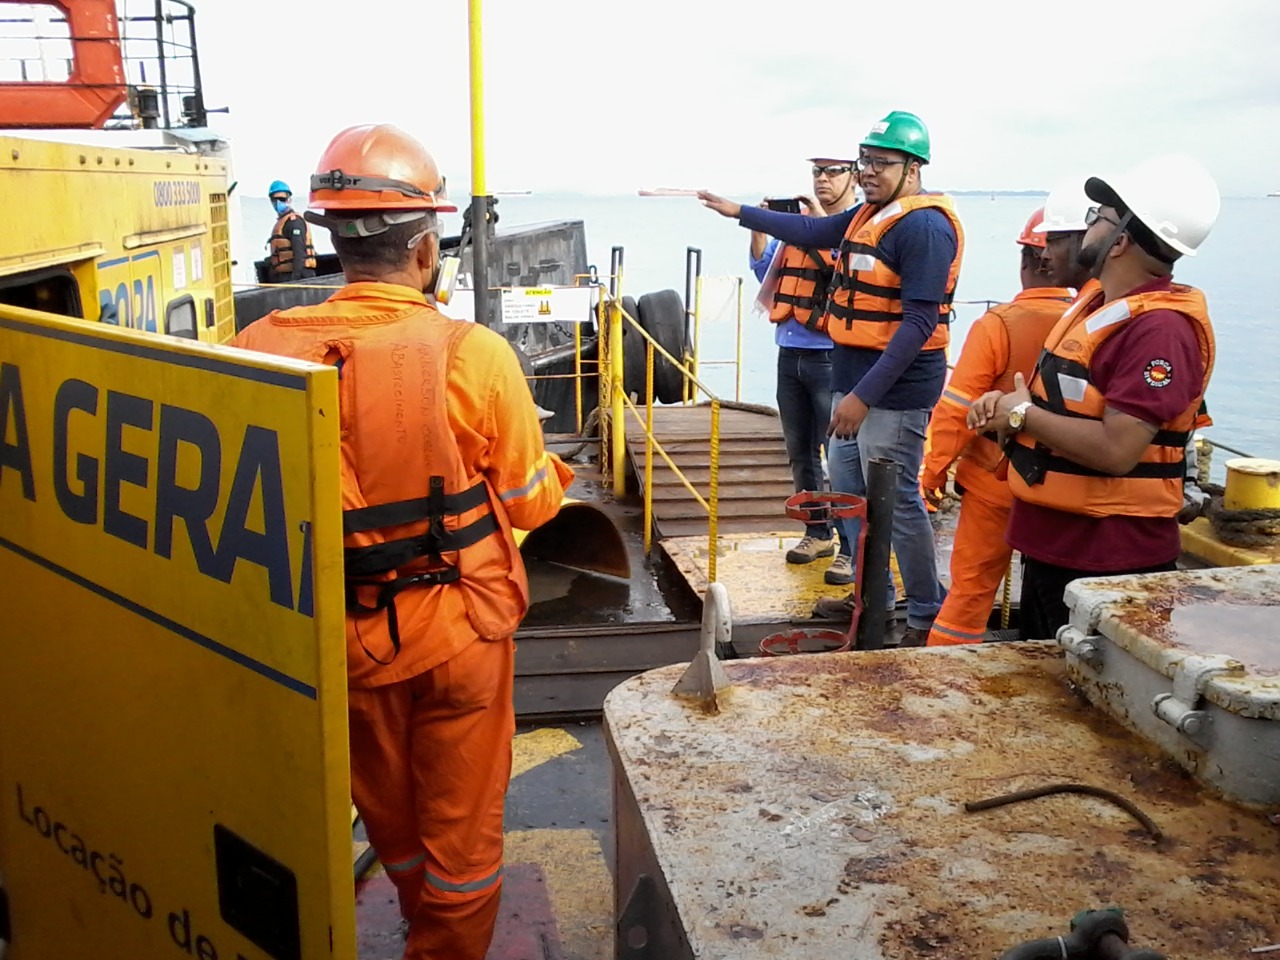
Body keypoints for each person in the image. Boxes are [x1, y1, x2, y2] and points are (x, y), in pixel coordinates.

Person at [234, 125, 574, 960]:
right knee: (464, 848)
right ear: (425, 249)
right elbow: (530, 506)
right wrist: (549, 468)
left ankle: (420, 913)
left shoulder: (256, 349)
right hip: (457, 632)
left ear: (327, 240)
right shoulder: (474, 355)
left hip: (332, 641)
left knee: (395, 823)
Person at [700, 110, 963, 646]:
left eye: (880, 162)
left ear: (913, 168)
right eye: (864, 160)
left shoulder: (925, 228)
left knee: (900, 500)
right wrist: (739, 213)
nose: (867, 171)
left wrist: (863, 398)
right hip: (853, 381)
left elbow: (917, 323)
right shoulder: (870, 214)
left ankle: (923, 613)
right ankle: (873, 598)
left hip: (892, 391)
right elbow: (812, 228)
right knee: (850, 493)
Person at [968, 155, 1220, 641]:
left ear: (1121, 239)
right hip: (1057, 547)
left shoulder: (1159, 331)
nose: (1087, 228)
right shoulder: (1101, 309)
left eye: (1097, 217)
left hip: (1109, 563)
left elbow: (1118, 450)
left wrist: (1023, 415)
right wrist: (1012, 410)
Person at [919, 208, 1073, 645]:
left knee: (970, 595)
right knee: (1056, 601)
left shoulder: (998, 325)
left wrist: (932, 475)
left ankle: (944, 683)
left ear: (1028, 260)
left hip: (994, 485)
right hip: (1063, 490)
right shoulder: (1093, 324)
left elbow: (956, 411)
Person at [749, 153, 858, 582]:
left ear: (853, 176)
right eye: (818, 172)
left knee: (842, 457)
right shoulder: (793, 234)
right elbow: (766, 271)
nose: (824, 179)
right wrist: (760, 229)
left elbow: (845, 276)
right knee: (801, 454)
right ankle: (818, 532)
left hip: (831, 357)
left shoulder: (855, 228)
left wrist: (815, 228)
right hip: (789, 354)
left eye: (833, 171)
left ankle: (850, 546)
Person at [265, 179, 317, 283]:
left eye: (282, 199)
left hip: (300, 277)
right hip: (284, 276)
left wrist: (295, 281)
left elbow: (299, 253)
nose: (278, 202)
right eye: (275, 199)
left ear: (289, 199)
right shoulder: (282, 222)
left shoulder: (294, 222)